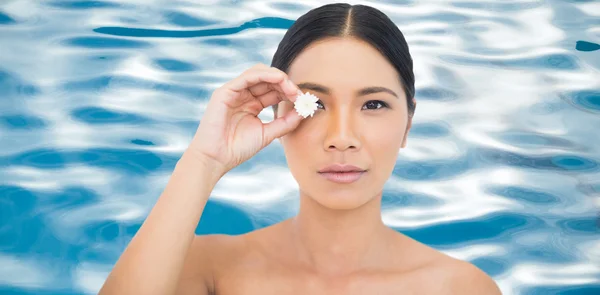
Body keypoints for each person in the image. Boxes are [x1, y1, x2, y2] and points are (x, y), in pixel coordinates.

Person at [99, 3, 502, 295]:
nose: (341, 136)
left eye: (373, 105)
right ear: (277, 113)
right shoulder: (204, 270)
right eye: (314, 104)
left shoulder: (460, 287)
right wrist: (204, 161)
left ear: (408, 123)